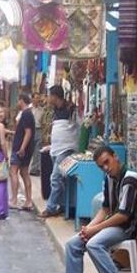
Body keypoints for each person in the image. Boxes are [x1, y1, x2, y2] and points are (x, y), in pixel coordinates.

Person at [54, 145, 137, 273]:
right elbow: (105, 209)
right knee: (73, 244)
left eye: (107, 162)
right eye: (101, 166)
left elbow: (123, 216)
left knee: (94, 244)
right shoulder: (109, 178)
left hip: (128, 228)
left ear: (115, 157)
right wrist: (88, 229)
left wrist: (95, 230)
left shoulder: (130, 180)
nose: (105, 168)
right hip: (114, 224)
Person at [39, 85, 79, 218]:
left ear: (55, 96)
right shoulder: (54, 110)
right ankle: (62, 205)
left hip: (66, 150)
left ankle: (50, 207)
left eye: (49, 95)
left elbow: (78, 126)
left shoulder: (71, 109)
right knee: (60, 180)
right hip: (55, 150)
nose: (47, 98)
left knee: (55, 178)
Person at [9, 93, 35, 210]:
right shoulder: (27, 113)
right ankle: (28, 201)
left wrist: (22, 148)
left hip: (20, 148)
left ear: (21, 100)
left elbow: (28, 132)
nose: (17, 103)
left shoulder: (26, 114)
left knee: (13, 171)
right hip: (25, 148)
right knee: (24, 173)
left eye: (18, 101)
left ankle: (14, 200)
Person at [29, 92, 45, 176]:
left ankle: (34, 169)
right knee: (29, 149)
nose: (38, 99)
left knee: (37, 150)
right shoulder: (28, 109)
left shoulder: (41, 110)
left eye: (39, 98)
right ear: (32, 99)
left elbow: (42, 121)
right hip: (29, 130)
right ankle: (25, 166)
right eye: (36, 98)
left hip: (38, 130)